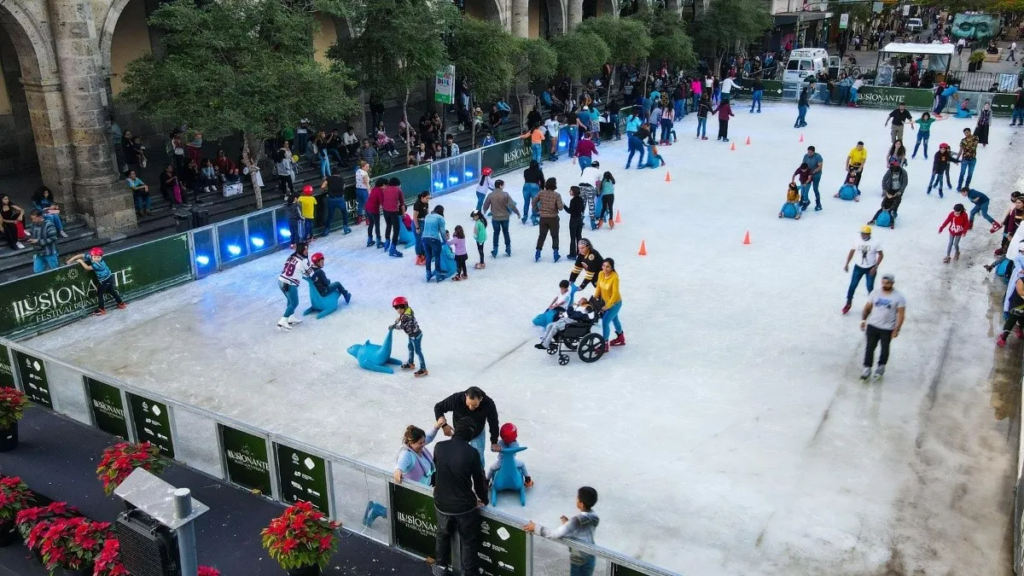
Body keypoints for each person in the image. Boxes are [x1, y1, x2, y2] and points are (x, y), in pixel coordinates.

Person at [431, 417, 489, 576]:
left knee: (442, 535)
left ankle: (441, 566)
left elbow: (436, 471)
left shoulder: (439, 446)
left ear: (456, 429)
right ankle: (469, 572)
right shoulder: (472, 453)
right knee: (468, 541)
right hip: (464, 508)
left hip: (442, 503)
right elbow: (479, 481)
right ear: (470, 434)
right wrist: (484, 499)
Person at [524, 487, 600, 576]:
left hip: (579, 559)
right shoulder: (594, 517)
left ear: (581, 504)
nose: (576, 499)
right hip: (591, 557)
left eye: (577, 498)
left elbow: (555, 534)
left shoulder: (576, 521)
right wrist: (568, 524)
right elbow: (582, 529)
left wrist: (535, 527)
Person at [433, 387, 500, 465]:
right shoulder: (456, 399)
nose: (471, 408)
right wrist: (444, 425)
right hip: (460, 434)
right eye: (468, 404)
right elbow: (438, 407)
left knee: (479, 458)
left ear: (481, 399)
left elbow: (493, 422)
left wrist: (494, 441)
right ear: (465, 396)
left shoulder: (488, 404)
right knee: (458, 457)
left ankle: (481, 475)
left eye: (474, 405)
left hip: (477, 434)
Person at [859, 273, 906, 380]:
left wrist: (897, 328)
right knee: (869, 348)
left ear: (892, 283)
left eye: (888, 283)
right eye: (883, 283)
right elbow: (867, 307)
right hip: (873, 325)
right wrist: (863, 320)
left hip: (887, 328)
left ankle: (881, 367)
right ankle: (867, 368)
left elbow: (901, 314)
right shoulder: (875, 293)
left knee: (885, 349)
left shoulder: (899, 297)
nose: (885, 285)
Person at [67, 248, 126, 315]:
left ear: (101, 257)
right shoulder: (91, 257)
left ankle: (101, 309)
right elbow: (82, 255)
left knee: (100, 294)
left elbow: (87, 268)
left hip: (104, 280)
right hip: (109, 277)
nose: (96, 259)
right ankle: (121, 303)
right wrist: (71, 259)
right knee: (111, 291)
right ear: (91, 256)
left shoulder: (98, 265)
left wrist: (81, 261)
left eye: (98, 257)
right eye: (95, 257)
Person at [842, 226, 883, 315]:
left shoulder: (875, 242)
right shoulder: (857, 240)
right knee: (852, 285)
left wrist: (875, 267)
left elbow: (881, 255)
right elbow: (852, 251)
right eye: (862, 233)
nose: (862, 235)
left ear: (869, 234)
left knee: (869, 287)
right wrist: (847, 263)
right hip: (858, 267)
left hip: (870, 268)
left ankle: (870, 305)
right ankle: (848, 303)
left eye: (864, 233)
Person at [393, 418, 445, 486]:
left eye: (423, 442)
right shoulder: (407, 454)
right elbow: (401, 463)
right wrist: (398, 471)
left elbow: (429, 437)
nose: (423, 445)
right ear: (411, 443)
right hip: (415, 492)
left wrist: (436, 426)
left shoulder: (418, 447)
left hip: (426, 487)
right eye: (420, 443)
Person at [485, 423, 533, 487]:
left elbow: (492, 448)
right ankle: (528, 480)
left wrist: (495, 448)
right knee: (522, 465)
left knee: (492, 468)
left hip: (501, 463)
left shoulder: (499, 443)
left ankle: (486, 481)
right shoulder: (516, 445)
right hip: (513, 463)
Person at [481, 181, 519, 258]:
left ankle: (495, 250)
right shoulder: (505, 194)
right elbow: (511, 205)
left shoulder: (491, 195)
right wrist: (517, 212)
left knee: (496, 233)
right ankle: (508, 249)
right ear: (500, 186)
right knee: (506, 232)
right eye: (503, 184)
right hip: (505, 217)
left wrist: (484, 211)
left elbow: (485, 205)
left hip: (495, 218)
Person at [391, 296, 427, 377]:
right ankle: (411, 363)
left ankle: (423, 369)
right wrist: (399, 318)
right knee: (410, 347)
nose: (398, 310)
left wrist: (393, 326)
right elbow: (403, 315)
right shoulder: (408, 310)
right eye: (396, 308)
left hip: (416, 335)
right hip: (411, 334)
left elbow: (401, 327)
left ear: (405, 306)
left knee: (418, 351)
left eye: (400, 308)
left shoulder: (405, 317)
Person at [276, 242, 309, 330]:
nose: (306, 250)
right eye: (305, 249)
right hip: (289, 283)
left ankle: (290, 317)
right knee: (294, 303)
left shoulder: (290, 257)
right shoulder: (304, 260)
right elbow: (310, 273)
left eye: (307, 248)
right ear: (301, 250)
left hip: (281, 281)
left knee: (290, 300)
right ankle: (283, 320)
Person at [593, 258, 623, 351]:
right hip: (606, 302)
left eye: (608, 267)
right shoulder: (601, 274)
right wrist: (593, 300)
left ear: (612, 268)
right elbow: (598, 288)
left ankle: (604, 345)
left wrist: (607, 306)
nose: (605, 269)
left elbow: (614, 294)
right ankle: (621, 338)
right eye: (604, 266)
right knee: (615, 319)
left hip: (615, 304)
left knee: (605, 322)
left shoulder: (614, 278)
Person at [534, 178, 564, 263]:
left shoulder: (541, 193)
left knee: (542, 236)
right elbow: (561, 208)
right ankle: (555, 253)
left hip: (543, 217)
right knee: (555, 236)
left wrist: (536, 209)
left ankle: (538, 252)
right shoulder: (557, 195)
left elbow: (534, 200)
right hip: (553, 218)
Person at [422, 206, 448, 282]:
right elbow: (442, 232)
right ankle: (438, 275)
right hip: (434, 238)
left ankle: (428, 274)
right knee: (437, 256)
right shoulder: (440, 218)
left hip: (424, 238)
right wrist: (445, 241)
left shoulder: (427, 216)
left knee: (428, 256)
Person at [382, 177, 405, 258]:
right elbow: (402, 203)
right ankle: (393, 248)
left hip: (385, 211)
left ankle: (387, 242)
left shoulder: (385, 189)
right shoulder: (398, 190)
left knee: (388, 225)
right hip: (393, 211)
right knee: (396, 229)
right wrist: (403, 213)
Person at [998, 275, 1024, 347]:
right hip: (1017, 305)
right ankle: (1003, 337)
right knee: (1011, 321)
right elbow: (1020, 292)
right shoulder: (1021, 280)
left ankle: (1019, 330)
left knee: (1022, 320)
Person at [564, 187, 585, 258]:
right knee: (579, 236)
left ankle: (572, 254)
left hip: (573, 220)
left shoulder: (573, 201)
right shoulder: (581, 199)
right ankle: (580, 253)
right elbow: (582, 209)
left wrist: (564, 206)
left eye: (570, 191)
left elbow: (570, 211)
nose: (569, 192)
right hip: (580, 219)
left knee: (572, 237)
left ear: (574, 192)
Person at [522, 161, 545, 225]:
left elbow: (526, 178)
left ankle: (525, 216)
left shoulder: (525, 171)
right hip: (535, 187)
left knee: (526, 202)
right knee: (534, 203)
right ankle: (534, 217)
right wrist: (542, 188)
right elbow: (542, 180)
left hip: (526, 186)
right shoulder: (539, 171)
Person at [365, 178, 385, 249]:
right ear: (382, 185)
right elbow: (382, 202)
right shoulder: (380, 191)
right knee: (377, 224)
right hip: (374, 209)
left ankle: (369, 240)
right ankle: (378, 241)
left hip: (368, 208)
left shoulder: (374, 189)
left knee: (371, 224)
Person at [413, 191, 431, 266]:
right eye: (426, 198)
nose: (428, 200)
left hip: (424, 222)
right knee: (418, 240)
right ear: (422, 197)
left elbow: (427, 212)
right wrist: (417, 227)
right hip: (418, 223)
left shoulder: (426, 203)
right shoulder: (417, 204)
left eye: (428, 198)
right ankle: (418, 255)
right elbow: (414, 217)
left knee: (423, 239)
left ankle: (423, 253)